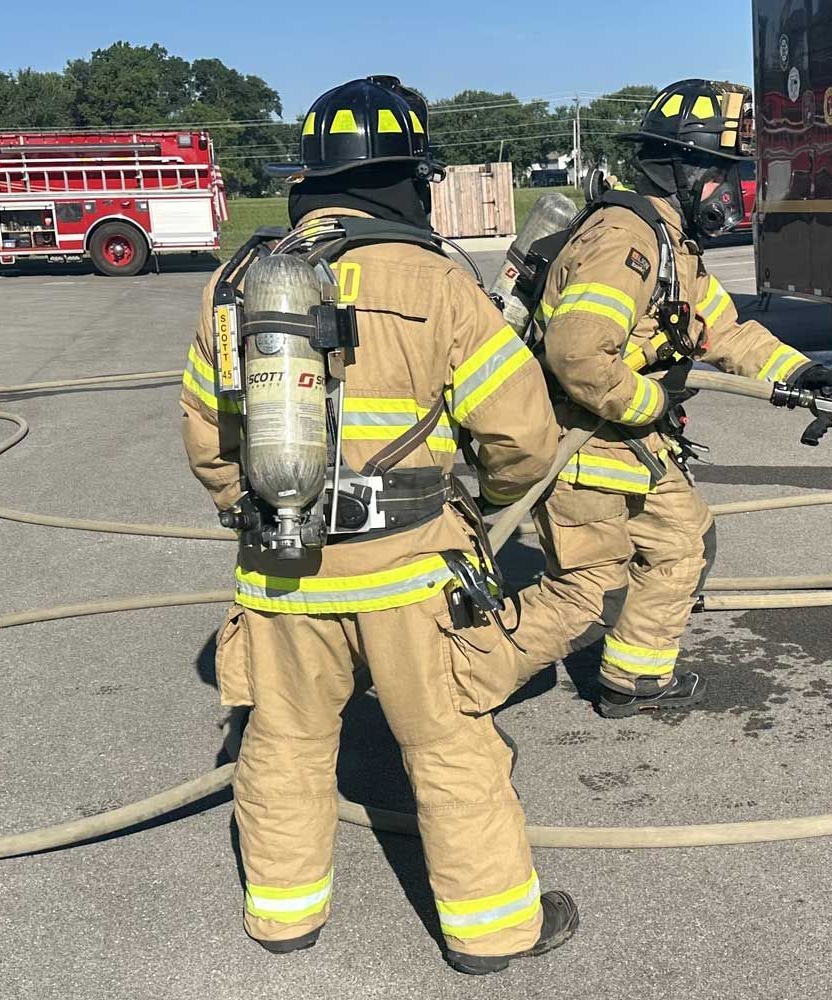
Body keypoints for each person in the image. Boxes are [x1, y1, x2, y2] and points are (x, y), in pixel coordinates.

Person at [180, 75, 578, 975]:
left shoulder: (239, 282)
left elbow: (207, 435)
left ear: (311, 178)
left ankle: (283, 917)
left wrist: (255, 510)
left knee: (282, 745)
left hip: (280, 568)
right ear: (410, 178)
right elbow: (522, 435)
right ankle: (492, 932)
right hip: (410, 571)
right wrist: (486, 502)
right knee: (448, 747)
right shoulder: (437, 281)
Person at [506, 79, 832, 718]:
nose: (731, 192)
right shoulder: (626, 239)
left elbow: (724, 331)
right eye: (722, 175)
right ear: (684, 168)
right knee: (585, 593)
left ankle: (634, 678)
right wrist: (649, 403)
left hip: (623, 438)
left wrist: (808, 373)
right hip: (581, 442)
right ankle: (450, 688)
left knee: (684, 541)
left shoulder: (671, 243)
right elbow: (578, 355)